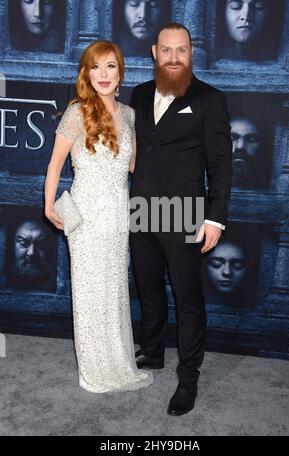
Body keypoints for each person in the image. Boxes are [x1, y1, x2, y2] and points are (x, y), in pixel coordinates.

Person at [129, 23, 232, 416]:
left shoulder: (209, 99)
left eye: (182, 51)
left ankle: (188, 379)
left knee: (188, 301)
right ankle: (153, 353)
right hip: (140, 208)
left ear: (192, 54)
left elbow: (221, 165)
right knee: (149, 290)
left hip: (186, 212)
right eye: (167, 50)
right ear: (155, 53)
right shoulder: (138, 94)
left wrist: (214, 219)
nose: (174, 58)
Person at [44, 40, 153, 393]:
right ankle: (94, 370)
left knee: (115, 290)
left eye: (110, 66)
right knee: (90, 292)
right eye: (96, 67)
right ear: (86, 73)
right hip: (87, 216)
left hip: (119, 215)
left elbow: (134, 167)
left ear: (120, 73)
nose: (103, 75)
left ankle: (118, 362)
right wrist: (48, 205)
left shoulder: (131, 115)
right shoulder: (77, 113)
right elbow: (55, 164)